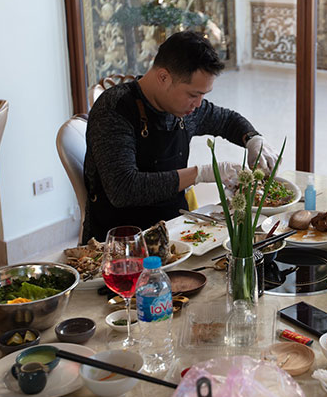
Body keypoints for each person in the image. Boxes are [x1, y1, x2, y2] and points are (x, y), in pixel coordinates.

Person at [82, 31, 278, 242]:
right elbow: (124, 189)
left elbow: (227, 120)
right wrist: (200, 174)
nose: (199, 104)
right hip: (122, 243)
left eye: (203, 95)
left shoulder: (185, 108)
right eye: (193, 94)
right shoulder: (115, 109)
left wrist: (253, 139)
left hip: (176, 229)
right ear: (163, 77)